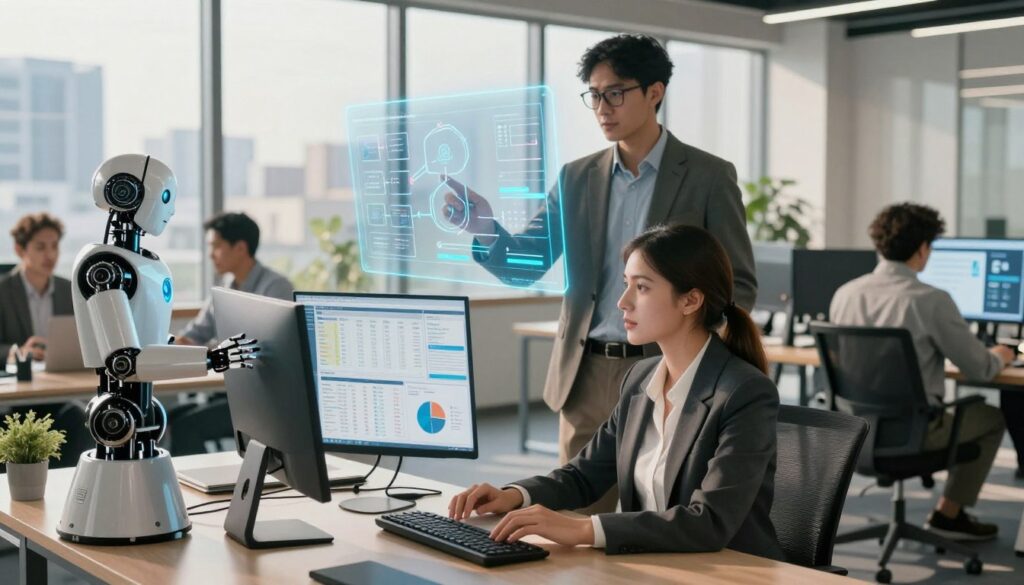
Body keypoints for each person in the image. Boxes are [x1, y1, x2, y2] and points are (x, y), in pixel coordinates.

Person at [444, 34, 757, 473]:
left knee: (660, 515)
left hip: (667, 369)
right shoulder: (577, 177)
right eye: (594, 95)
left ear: (654, 93)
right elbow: (524, 265)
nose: (602, 108)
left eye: (615, 93)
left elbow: (737, 284)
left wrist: (694, 357)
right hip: (585, 373)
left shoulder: (708, 176)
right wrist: (484, 228)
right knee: (574, 517)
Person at [448, 224, 781, 558]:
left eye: (642, 287)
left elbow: (709, 522)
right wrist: (515, 495)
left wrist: (583, 529)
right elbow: (583, 476)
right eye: (626, 285)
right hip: (656, 565)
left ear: (690, 300)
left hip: (729, 571)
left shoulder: (744, 393)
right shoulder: (640, 378)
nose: (623, 302)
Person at [831, 203, 1010, 541]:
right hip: (913, 432)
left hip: (856, 431)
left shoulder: (846, 294)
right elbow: (981, 368)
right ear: (923, 248)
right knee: (990, 417)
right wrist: (1003, 354)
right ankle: (948, 514)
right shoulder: (930, 300)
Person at [175, 212, 292, 346]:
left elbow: (275, 347)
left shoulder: (277, 288)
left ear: (240, 248)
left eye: (216, 246)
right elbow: (195, 334)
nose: (210, 255)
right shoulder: (224, 287)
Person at [0, 212, 73, 362]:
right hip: (21, 380)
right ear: (20, 250)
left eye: (54, 246)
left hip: (63, 375)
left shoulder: (70, 290)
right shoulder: (3, 291)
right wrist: (18, 352)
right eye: (40, 247)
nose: (50, 255)